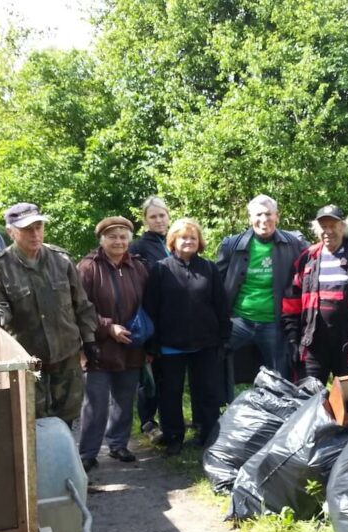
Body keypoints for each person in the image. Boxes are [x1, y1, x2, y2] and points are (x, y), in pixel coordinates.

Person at [0, 202, 98, 424]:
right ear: (11, 232)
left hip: (66, 357)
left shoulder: (61, 260)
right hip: (27, 362)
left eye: (38, 227)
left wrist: (90, 340)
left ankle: (62, 459)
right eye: (27, 229)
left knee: (67, 421)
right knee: (32, 423)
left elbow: (81, 305)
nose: (35, 234)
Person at [143, 219, 231, 455]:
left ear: (199, 241)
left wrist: (224, 336)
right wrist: (152, 346)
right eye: (183, 237)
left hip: (206, 343)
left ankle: (208, 435)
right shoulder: (160, 269)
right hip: (171, 344)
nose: (188, 241)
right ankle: (174, 437)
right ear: (173, 241)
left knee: (207, 391)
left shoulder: (210, 268)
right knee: (170, 393)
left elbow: (221, 305)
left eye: (192, 237)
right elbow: (151, 308)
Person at [282, 204, 348, 384]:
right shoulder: (307, 258)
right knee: (308, 399)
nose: (328, 231)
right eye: (324, 226)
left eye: (333, 226)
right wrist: (293, 339)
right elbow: (291, 302)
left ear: (343, 227)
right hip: (313, 342)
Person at [75, 216, 148, 472]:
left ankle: (118, 444)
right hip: (98, 345)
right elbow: (78, 306)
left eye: (123, 236)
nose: (118, 241)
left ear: (130, 239)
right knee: (95, 401)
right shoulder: (87, 267)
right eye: (113, 236)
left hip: (132, 344)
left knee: (125, 398)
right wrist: (108, 327)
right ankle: (88, 452)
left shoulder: (138, 267)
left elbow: (148, 304)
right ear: (102, 239)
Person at [216, 194, 306, 394]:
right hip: (238, 321)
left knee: (279, 377)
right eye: (258, 215)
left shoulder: (294, 244)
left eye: (268, 214)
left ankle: (279, 418)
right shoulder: (232, 245)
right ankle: (221, 411)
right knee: (216, 360)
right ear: (250, 218)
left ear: (277, 216)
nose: (263, 220)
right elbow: (217, 284)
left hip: (273, 322)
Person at [129, 196, 172, 444]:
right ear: (145, 220)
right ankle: (148, 421)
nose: (158, 220)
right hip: (149, 316)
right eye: (153, 216)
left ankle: (169, 420)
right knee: (149, 374)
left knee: (167, 374)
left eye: (162, 215)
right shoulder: (138, 247)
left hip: (173, 319)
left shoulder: (175, 240)